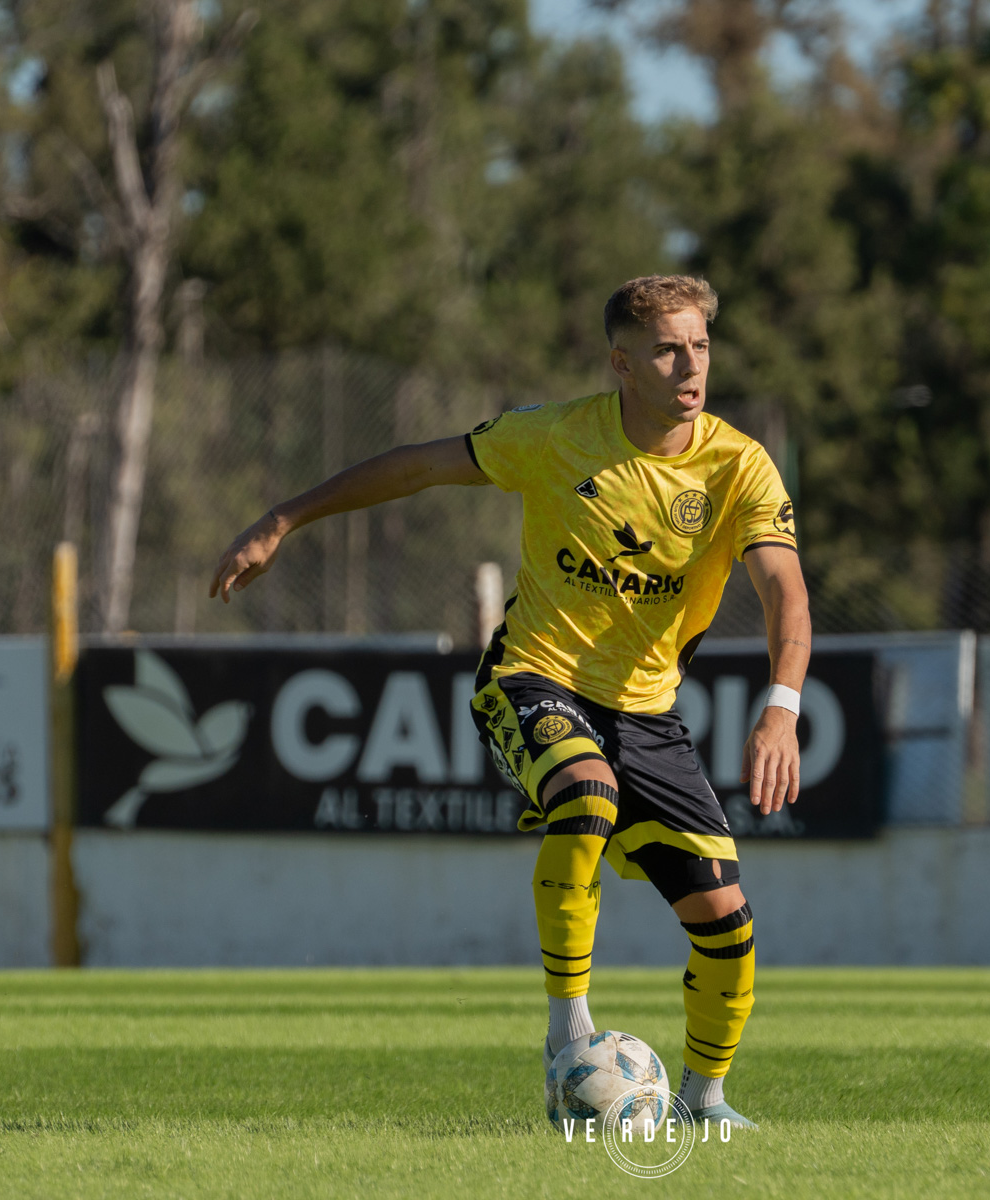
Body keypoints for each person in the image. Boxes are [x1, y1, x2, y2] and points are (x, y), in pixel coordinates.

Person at [210, 275, 809, 1130]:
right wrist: (283, 519)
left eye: (702, 346)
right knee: (585, 794)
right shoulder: (556, 436)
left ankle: (704, 1102)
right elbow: (417, 466)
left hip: (649, 715)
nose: (691, 366)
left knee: (728, 922)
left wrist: (781, 705)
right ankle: (569, 1034)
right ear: (622, 363)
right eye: (669, 349)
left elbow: (788, 591)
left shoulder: (738, 465)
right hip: (534, 677)